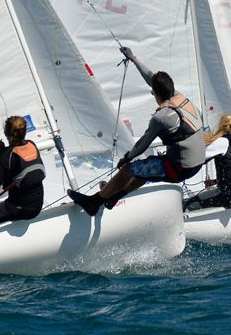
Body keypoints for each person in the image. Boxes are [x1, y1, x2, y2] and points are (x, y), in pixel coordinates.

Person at [68, 46, 206, 216]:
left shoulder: (162, 116)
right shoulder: (181, 98)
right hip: (196, 164)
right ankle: (114, 197)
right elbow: (152, 78)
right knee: (145, 169)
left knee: (129, 169)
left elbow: (142, 144)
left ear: (155, 94)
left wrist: (127, 158)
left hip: (180, 168)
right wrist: (133, 59)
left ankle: (94, 202)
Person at [0, 115, 46, 228]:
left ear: (6, 133)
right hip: (37, 206)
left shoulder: (3, 156)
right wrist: (2, 151)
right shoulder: (32, 144)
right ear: (25, 131)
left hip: (18, 209)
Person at [183, 114, 231, 211]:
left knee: (188, 204)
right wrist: (215, 181)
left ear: (221, 126)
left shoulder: (221, 142)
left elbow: (198, 159)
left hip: (225, 196)